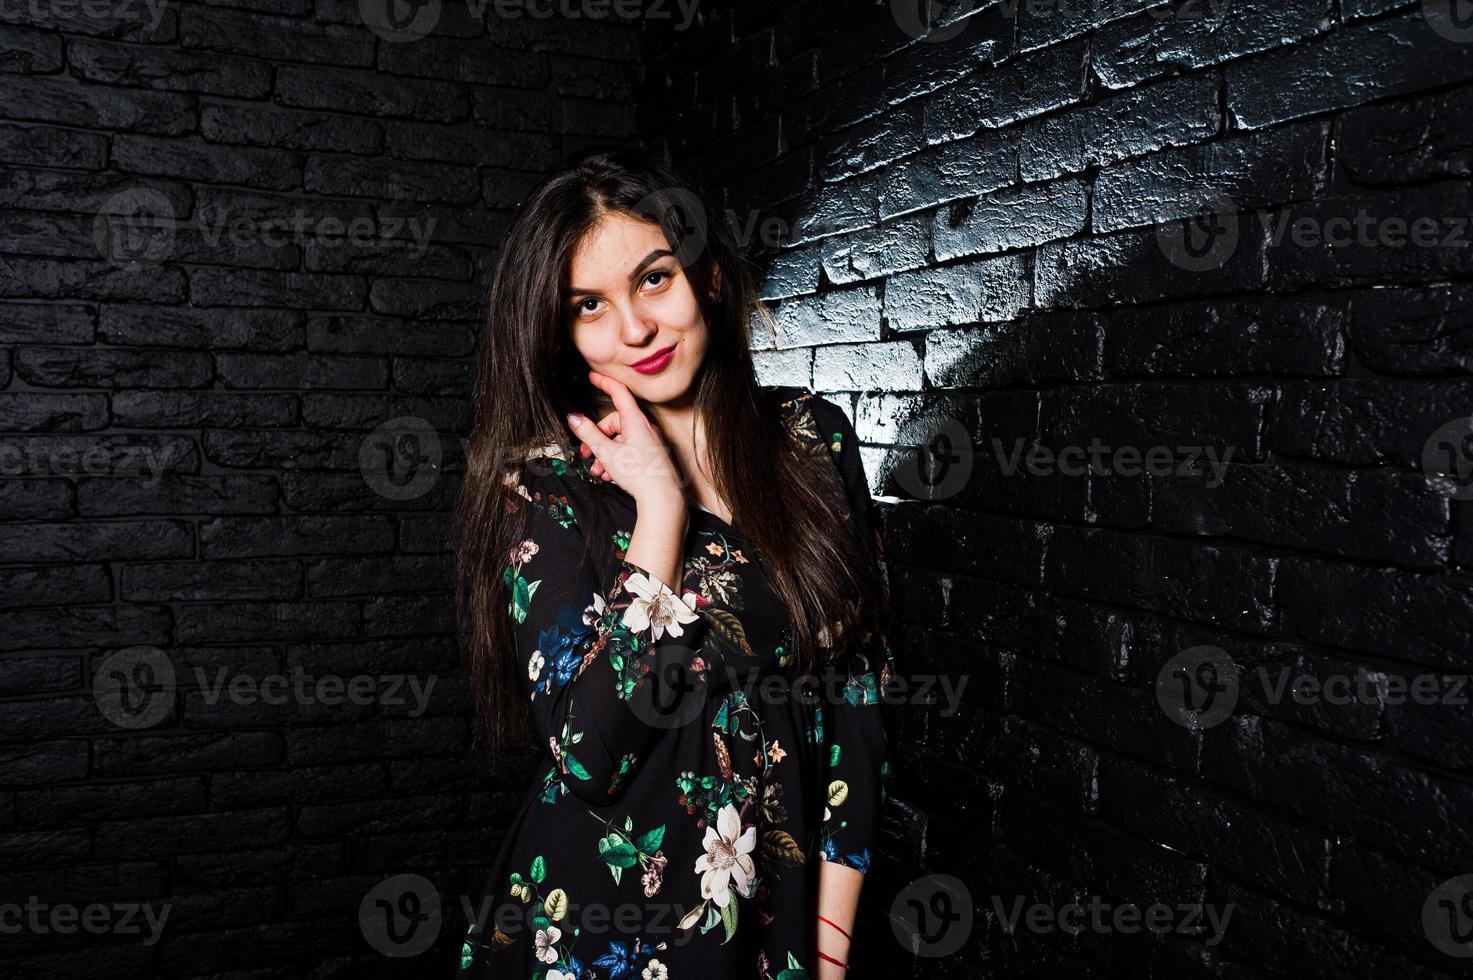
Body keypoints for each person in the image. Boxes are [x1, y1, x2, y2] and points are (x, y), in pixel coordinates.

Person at [453, 146, 894, 979]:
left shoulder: (811, 438)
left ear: (709, 277)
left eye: (653, 278)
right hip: (601, 926)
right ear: (558, 331)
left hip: (775, 914)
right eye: (589, 304)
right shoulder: (547, 489)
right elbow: (590, 756)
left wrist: (827, 947)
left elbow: (858, 700)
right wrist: (658, 508)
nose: (634, 328)